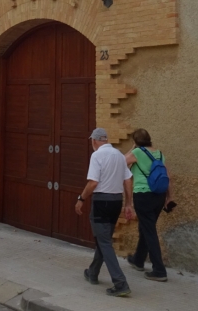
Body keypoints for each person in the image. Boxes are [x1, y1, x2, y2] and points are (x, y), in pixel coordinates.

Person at [75, 127, 134, 297]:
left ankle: (121, 283)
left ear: (94, 141)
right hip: (116, 201)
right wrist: (128, 203)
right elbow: (128, 179)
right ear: (106, 139)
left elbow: (93, 183)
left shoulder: (97, 155)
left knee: (105, 242)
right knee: (104, 238)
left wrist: (81, 198)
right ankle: (92, 273)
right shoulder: (119, 155)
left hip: (101, 201)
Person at [124, 128, 173, 282]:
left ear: (136, 141)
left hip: (143, 195)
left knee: (149, 230)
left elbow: (121, 162)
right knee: (147, 226)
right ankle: (138, 260)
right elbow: (167, 176)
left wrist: (133, 148)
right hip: (159, 195)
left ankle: (159, 270)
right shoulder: (159, 153)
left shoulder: (138, 153)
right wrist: (169, 197)